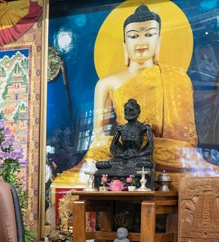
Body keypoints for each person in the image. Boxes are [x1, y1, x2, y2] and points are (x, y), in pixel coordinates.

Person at [54, 4, 218, 186]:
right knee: (65, 183)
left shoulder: (178, 79)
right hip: (124, 158)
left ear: (159, 40)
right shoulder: (106, 83)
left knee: (207, 180)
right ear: (125, 43)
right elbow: (100, 139)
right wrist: (113, 154)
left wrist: (153, 150)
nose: (141, 42)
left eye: (149, 34)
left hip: (170, 159)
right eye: (133, 36)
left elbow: (186, 143)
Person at [96, 98, 154, 172]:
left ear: (138, 112)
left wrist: (136, 156)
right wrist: (121, 155)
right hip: (122, 159)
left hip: (138, 158)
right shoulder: (121, 128)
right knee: (100, 164)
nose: (128, 113)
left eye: (131, 110)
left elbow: (150, 148)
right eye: (126, 110)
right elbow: (112, 148)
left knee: (147, 164)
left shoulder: (144, 127)